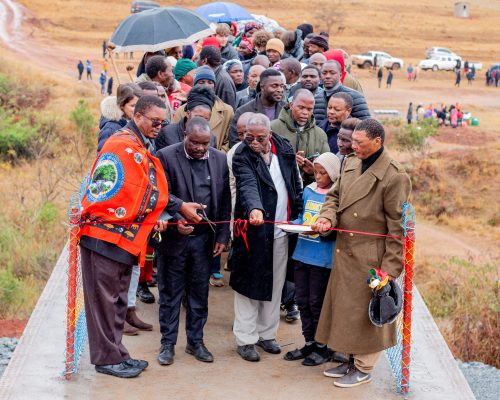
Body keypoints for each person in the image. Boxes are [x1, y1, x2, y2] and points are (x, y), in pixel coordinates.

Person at [313, 118, 411, 388]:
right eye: (352, 140)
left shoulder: (395, 176)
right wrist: (327, 217)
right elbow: (334, 197)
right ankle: (350, 360)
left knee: (366, 314)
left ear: (377, 142)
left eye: (358, 142)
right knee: (347, 311)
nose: (351, 145)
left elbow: (397, 229)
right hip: (345, 251)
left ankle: (363, 368)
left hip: (371, 259)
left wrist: (388, 271)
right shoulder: (351, 162)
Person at [78, 95, 171, 378]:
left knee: (117, 299)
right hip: (103, 236)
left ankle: (118, 353)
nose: (159, 127)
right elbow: (143, 189)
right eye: (154, 121)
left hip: (123, 237)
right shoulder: (122, 145)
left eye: (163, 122)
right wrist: (176, 209)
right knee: (103, 302)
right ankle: (106, 360)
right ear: (137, 116)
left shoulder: (138, 144)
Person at [156, 117, 231, 366]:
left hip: (205, 240)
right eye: (195, 143)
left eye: (205, 143)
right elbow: (162, 194)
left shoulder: (220, 159)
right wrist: (178, 219)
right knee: (170, 294)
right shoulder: (166, 156)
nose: (200, 148)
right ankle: (167, 344)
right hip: (174, 238)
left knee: (199, 294)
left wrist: (222, 235)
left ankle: (195, 342)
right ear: (184, 136)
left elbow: (225, 199)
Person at [229, 113, 303, 362]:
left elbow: (294, 182)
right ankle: (245, 339)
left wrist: (300, 212)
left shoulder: (284, 147)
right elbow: (247, 184)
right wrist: (254, 208)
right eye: (249, 137)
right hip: (253, 233)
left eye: (260, 138)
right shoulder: (241, 154)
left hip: (281, 231)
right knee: (248, 286)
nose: (254, 142)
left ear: (270, 135)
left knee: (276, 284)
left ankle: (267, 334)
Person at [284, 152, 341, 366]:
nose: (317, 176)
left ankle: (322, 346)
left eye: (323, 173)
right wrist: (291, 224)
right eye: (316, 172)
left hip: (322, 258)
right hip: (302, 254)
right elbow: (302, 217)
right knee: (302, 301)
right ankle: (308, 342)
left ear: (333, 174)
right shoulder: (308, 191)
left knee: (317, 303)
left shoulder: (336, 196)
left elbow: (336, 227)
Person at [173, 66, 234, 152]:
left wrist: (217, 156)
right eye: (201, 82)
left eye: (210, 82)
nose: (206, 85)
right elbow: (175, 136)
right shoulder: (182, 111)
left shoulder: (227, 111)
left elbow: (228, 141)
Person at [230, 68, 286, 147]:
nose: (280, 90)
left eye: (282, 86)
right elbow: (235, 143)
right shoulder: (243, 111)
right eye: (274, 86)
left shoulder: (287, 110)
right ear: (262, 87)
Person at [155, 85, 217, 151]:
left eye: (206, 119)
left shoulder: (211, 139)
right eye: (197, 117)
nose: (200, 121)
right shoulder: (167, 133)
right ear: (188, 114)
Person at [97, 83, 142, 153]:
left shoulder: (135, 122)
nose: (137, 109)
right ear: (121, 105)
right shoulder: (110, 129)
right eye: (133, 106)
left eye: (140, 105)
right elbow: (104, 156)